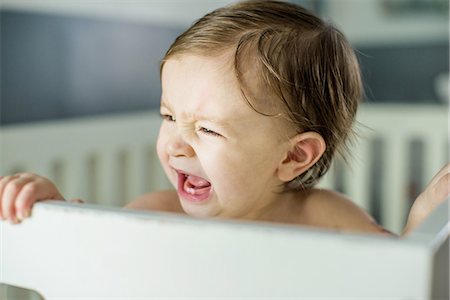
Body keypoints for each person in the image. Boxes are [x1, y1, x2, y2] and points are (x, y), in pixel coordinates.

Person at [0, 0, 448, 236]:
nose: (177, 144)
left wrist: (422, 221)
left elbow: (402, 280)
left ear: (294, 156)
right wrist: (52, 214)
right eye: (168, 115)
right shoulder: (154, 215)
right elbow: (88, 268)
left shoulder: (328, 219)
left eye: (208, 129)